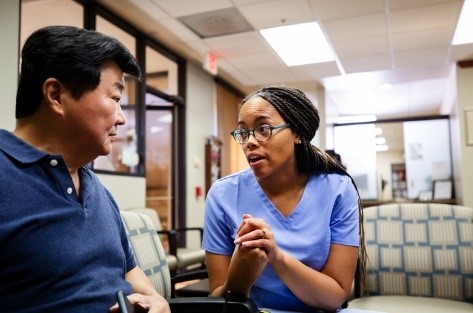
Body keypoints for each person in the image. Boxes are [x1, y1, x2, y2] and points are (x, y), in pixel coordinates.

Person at [0, 25, 169, 313]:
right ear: (56, 95)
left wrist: (155, 299)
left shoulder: (97, 189)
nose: (122, 119)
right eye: (115, 99)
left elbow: (129, 269)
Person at [202, 85, 365, 312]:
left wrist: (276, 256)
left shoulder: (338, 189)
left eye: (263, 128)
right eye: (243, 132)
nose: (249, 141)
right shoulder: (222, 195)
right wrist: (242, 273)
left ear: (297, 132)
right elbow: (218, 298)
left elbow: (335, 297)